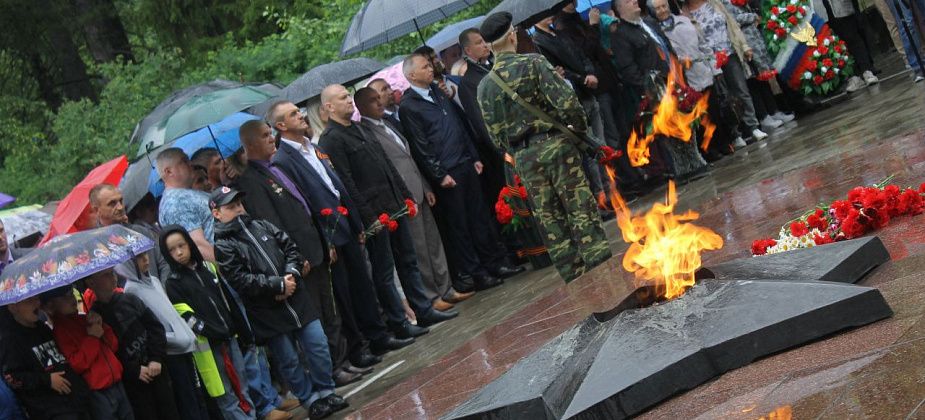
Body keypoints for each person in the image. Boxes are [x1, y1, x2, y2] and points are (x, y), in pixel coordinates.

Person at [269, 100, 429, 345]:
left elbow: (336, 184)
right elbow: (306, 202)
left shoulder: (311, 147)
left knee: (362, 282)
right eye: (293, 114)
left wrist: (357, 223)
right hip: (330, 230)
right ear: (281, 125)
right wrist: (326, 238)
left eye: (299, 111)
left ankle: (379, 335)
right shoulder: (283, 160)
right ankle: (366, 341)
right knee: (347, 290)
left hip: (346, 223)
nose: (301, 116)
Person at [234, 120, 379, 385]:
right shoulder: (251, 180)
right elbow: (273, 223)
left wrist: (325, 242)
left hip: (316, 248)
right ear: (251, 144)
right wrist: (295, 257)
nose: (272, 139)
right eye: (266, 135)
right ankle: (330, 369)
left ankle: (342, 360)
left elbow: (304, 207)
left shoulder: (275, 167)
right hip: (299, 258)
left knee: (331, 309)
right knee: (318, 316)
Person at [476, 12, 613, 282]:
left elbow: (495, 137)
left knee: (550, 220)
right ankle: (603, 272)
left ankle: (576, 281)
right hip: (557, 146)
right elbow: (568, 106)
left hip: (525, 159)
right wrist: (577, 133)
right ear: (513, 34)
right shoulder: (534, 64)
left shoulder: (485, 87)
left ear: (490, 45)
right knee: (581, 210)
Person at [320, 84, 463, 322]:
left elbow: (386, 165)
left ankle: (424, 309)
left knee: (409, 261)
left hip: (393, 204)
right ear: (329, 106)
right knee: (385, 271)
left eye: (348, 96)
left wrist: (405, 195)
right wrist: (368, 218)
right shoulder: (331, 139)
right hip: (375, 213)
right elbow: (346, 182)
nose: (349, 100)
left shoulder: (359, 128)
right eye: (343, 97)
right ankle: (398, 320)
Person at [210, 187, 349, 419]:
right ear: (216, 213)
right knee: (289, 360)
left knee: (318, 344)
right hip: (268, 310)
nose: (238, 209)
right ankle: (310, 399)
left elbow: (291, 248)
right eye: (230, 206)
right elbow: (240, 279)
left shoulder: (262, 225)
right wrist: (276, 285)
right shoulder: (223, 246)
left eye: (238, 203)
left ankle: (326, 390)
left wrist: (291, 276)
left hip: (297, 300)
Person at [400, 53, 524, 291]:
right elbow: (420, 145)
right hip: (447, 172)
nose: (430, 69)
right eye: (424, 67)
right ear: (411, 75)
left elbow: (459, 125)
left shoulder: (438, 92)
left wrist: (474, 156)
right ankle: (476, 272)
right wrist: (439, 174)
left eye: (429, 65)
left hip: (466, 162)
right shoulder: (409, 106)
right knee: (462, 224)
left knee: (480, 217)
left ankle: (496, 262)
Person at [355, 87, 475, 308]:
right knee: (419, 247)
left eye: (379, 98)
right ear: (361, 107)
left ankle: (446, 287)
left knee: (433, 240)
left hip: (418, 187)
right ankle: (432, 296)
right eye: (373, 101)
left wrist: (426, 186)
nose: (380, 102)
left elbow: (409, 158)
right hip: (404, 195)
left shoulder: (390, 123)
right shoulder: (367, 131)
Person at [160, 225, 257, 420]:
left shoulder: (208, 268)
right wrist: (213, 331)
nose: (179, 252)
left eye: (182, 245)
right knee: (224, 394)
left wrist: (243, 331)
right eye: (172, 249)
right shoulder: (173, 283)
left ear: (189, 244)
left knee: (242, 384)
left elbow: (228, 301)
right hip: (209, 348)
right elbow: (188, 318)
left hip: (230, 338)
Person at [121, 253, 212, 420]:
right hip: (169, 352)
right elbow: (150, 327)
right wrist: (174, 338)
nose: (146, 259)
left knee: (198, 393)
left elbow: (170, 313)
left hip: (185, 344)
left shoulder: (154, 281)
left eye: (146, 254)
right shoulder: (131, 291)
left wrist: (184, 334)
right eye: (139, 258)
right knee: (186, 398)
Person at [83, 268, 180, 420]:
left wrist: (156, 358)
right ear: (91, 283)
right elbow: (108, 353)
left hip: (156, 368)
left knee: (170, 412)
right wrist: (133, 370)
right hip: (133, 382)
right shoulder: (96, 317)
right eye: (106, 275)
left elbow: (155, 327)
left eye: (112, 272)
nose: (113, 276)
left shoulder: (130, 299)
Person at [42, 286, 134, 420]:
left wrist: (101, 325)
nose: (72, 298)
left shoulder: (83, 318)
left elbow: (112, 346)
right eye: (64, 297)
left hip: (116, 380)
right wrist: (92, 338)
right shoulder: (60, 331)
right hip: (98, 390)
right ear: (51, 305)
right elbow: (76, 364)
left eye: (71, 293)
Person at [682, 0, 768, 142]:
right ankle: (736, 134)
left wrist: (744, 45)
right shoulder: (685, 14)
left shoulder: (715, 3)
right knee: (723, 96)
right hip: (710, 60)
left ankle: (753, 127)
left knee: (741, 90)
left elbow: (732, 25)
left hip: (730, 52)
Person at [1, 295, 91, 419]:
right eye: (29, 301)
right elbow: (14, 377)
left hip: (75, 400)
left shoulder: (42, 327)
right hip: (52, 410)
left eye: (36, 298)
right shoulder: (10, 339)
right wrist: (47, 380)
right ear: (12, 307)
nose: (36, 303)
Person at [156, 147, 215, 261]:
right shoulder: (176, 202)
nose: (191, 164)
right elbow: (198, 244)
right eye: (184, 161)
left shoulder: (184, 195)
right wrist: (228, 270)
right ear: (169, 171)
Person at [812, 0, 881, 92]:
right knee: (837, 44)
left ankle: (867, 70)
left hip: (840, 5)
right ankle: (853, 76)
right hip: (821, 8)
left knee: (852, 37)